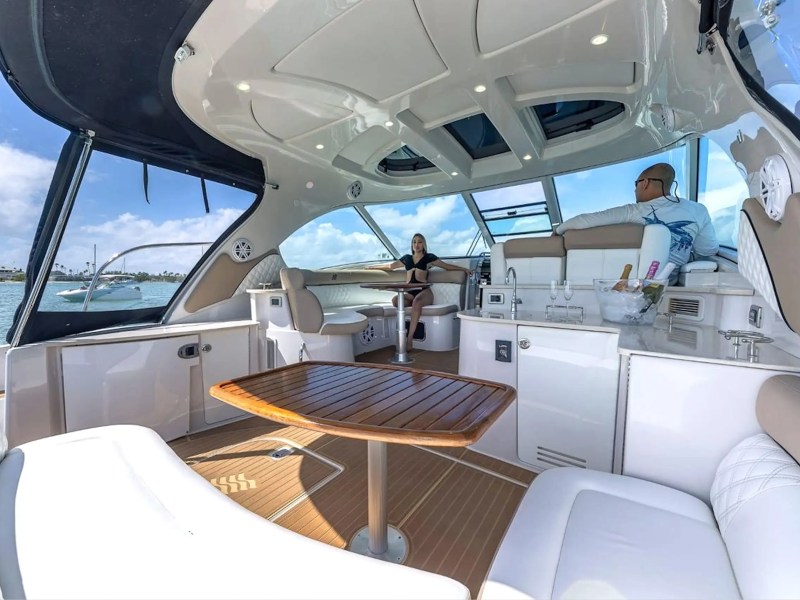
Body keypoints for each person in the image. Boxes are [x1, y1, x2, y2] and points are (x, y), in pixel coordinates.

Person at [555, 162, 719, 283]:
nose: (635, 189)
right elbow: (708, 249)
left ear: (645, 183)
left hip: (631, 286)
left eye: (636, 184)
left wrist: (557, 231)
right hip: (671, 285)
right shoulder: (698, 210)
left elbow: (584, 220)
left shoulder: (634, 211)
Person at [367, 233, 472, 350]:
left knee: (417, 302)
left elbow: (446, 266)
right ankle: (402, 328)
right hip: (410, 293)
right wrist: (370, 267)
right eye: (414, 242)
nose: (416, 245)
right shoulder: (406, 258)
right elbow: (390, 266)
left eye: (420, 242)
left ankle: (409, 339)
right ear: (412, 245)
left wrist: (464, 269)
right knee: (395, 301)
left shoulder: (429, 258)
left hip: (424, 292)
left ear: (424, 245)